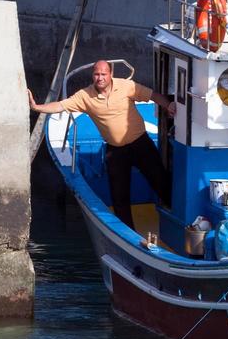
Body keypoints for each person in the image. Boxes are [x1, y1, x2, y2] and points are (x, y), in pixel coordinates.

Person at [29, 60, 177, 231]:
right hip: (115, 150)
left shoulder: (126, 86)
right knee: (119, 196)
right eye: (96, 74)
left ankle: (177, 218)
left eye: (103, 74)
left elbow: (152, 95)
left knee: (160, 181)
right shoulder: (85, 96)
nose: (100, 78)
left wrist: (168, 105)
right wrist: (37, 107)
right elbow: (61, 105)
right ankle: (129, 234)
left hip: (141, 144)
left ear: (111, 74)